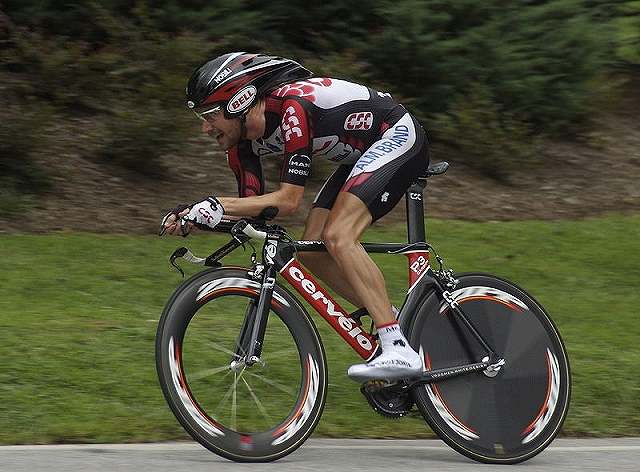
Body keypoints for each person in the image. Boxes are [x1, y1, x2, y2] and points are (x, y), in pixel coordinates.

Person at [160, 52, 429, 381]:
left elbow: (288, 201)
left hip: (397, 135)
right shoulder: (240, 146)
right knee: (312, 250)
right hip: (360, 154)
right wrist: (199, 217)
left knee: (338, 236)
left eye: (211, 115)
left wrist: (217, 204)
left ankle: (396, 344)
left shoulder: (292, 106)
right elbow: (256, 215)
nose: (205, 128)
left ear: (240, 101)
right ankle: (393, 320)